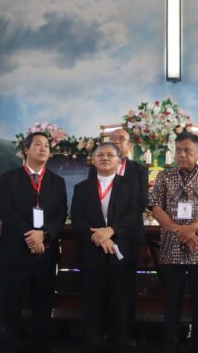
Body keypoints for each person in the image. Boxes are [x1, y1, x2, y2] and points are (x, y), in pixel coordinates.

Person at [149, 131, 198, 353]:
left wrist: (192, 229)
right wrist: (179, 230)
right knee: (171, 303)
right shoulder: (165, 176)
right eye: (178, 150)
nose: (181, 155)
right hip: (172, 247)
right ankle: (170, 347)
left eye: (187, 150)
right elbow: (155, 207)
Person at [0, 132, 67, 353]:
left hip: (45, 254)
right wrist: (30, 235)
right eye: (38, 144)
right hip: (15, 252)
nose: (44, 148)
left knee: (43, 306)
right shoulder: (8, 178)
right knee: (10, 306)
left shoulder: (58, 182)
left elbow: (60, 214)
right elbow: (5, 211)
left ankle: (41, 346)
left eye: (47, 145)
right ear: (26, 150)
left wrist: (44, 234)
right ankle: (9, 346)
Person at [71, 142, 143, 353]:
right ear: (93, 161)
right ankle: (93, 345)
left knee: (120, 306)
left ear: (119, 161)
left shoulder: (130, 185)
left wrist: (112, 230)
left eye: (111, 155)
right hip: (92, 255)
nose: (105, 158)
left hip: (121, 255)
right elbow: (77, 218)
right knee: (92, 306)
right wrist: (100, 237)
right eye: (100, 155)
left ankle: (118, 345)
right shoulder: (82, 188)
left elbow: (133, 214)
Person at [87, 127, 147, 340]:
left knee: (124, 294)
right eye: (113, 139)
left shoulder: (137, 170)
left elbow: (139, 204)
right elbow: (89, 204)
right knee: (98, 292)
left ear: (129, 147)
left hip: (127, 239)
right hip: (97, 242)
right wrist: (102, 235)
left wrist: (112, 231)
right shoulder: (95, 171)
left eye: (121, 140)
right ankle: (99, 334)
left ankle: (124, 336)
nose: (116, 143)